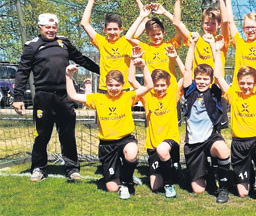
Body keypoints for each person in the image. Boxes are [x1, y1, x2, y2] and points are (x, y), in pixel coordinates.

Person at [12, 13, 99, 182]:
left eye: (54, 27)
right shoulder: (32, 46)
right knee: (42, 135)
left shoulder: (64, 42)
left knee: (67, 134)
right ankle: (38, 168)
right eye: (47, 27)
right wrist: (18, 97)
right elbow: (22, 72)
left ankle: (72, 169)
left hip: (65, 96)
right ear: (40, 28)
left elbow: (81, 59)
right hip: (43, 97)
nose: (51, 30)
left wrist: (102, 70)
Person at [66, 58, 152, 199]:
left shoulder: (127, 96)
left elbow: (148, 86)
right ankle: (123, 177)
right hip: (107, 144)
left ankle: (126, 182)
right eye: (110, 85)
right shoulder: (98, 99)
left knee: (131, 153)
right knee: (111, 188)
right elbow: (73, 95)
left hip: (125, 139)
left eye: (117, 85)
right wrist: (68, 76)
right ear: (105, 85)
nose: (114, 88)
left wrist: (143, 66)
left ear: (122, 85)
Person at [212, 34, 256, 201]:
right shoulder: (233, 94)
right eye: (243, 83)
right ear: (238, 82)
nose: (246, 86)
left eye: (249, 83)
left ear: (255, 83)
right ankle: (250, 176)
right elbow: (217, 76)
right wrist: (217, 52)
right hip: (239, 144)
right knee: (243, 193)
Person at [128, 38, 184, 199]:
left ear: (167, 85)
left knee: (163, 150)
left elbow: (185, 75)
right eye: (156, 85)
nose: (160, 88)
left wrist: (174, 58)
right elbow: (131, 80)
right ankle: (172, 172)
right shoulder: (147, 96)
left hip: (169, 141)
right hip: (153, 145)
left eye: (162, 85)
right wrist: (134, 61)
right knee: (154, 186)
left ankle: (169, 185)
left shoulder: (173, 93)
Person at [173, 0, 230, 129]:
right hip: (197, 88)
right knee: (195, 126)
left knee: (216, 130)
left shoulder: (220, 40)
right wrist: (178, 0)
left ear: (217, 26)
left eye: (213, 23)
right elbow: (177, 23)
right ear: (202, 24)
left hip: (215, 89)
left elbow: (226, 21)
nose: (209, 26)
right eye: (206, 23)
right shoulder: (195, 38)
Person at [182, 33, 231, 203]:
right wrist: (192, 45)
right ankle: (209, 173)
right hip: (193, 143)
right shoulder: (190, 92)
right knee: (198, 190)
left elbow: (218, 73)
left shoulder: (215, 92)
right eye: (199, 79)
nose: (202, 81)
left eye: (205, 79)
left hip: (210, 138)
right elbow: (187, 69)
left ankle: (223, 189)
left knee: (222, 149)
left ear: (210, 81)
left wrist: (212, 46)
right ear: (195, 80)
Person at [80, 0, 134, 92]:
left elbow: (143, 21)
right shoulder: (102, 42)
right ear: (105, 30)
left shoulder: (127, 40)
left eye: (115, 29)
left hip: (123, 87)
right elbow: (84, 24)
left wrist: (138, 2)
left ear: (121, 29)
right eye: (109, 29)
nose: (112, 32)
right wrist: (91, 0)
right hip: (105, 87)